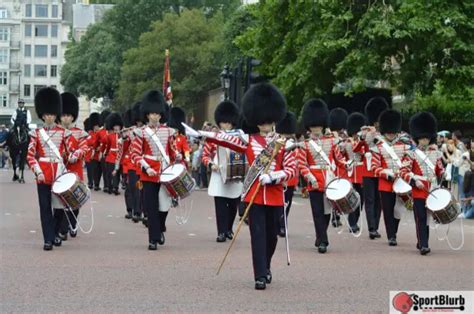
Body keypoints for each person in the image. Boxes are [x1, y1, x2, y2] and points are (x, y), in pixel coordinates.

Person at [201, 82, 296, 290]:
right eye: (261, 121)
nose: (264, 124)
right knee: (258, 235)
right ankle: (259, 275)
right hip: (254, 195)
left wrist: (274, 177)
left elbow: (292, 170)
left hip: (274, 195)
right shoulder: (248, 140)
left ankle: (267, 265)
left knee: (271, 237)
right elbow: (226, 140)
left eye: (268, 121)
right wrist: (203, 134)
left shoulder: (283, 143)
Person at [26, 87, 76, 251]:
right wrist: (38, 171)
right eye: (46, 114)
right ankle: (48, 239)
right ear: (42, 115)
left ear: (56, 114)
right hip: (43, 175)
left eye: (52, 114)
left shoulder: (64, 133)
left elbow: (69, 155)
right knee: (45, 208)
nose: (49, 117)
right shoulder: (36, 134)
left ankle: (54, 233)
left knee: (60, 208)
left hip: (59, 174)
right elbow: (30, 156)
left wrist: (74, 154)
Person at [130, 90, 178, 250]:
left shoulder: (169, 131)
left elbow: (171, 152)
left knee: (164, 206)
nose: (154, 116)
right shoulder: (141, 132)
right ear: (147, 114)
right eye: (151, 113)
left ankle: (160, 227)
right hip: (148, 173)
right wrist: (147, 167)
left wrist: (178, 155)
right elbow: (135, 154)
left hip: (164, 172)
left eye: (157, 113)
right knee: (151, 207)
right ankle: (153, 239)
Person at [298, 99, 347, 254]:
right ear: (309, 127)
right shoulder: (305, 145)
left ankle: (320, 236)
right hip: (314, 181)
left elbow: (339, 160)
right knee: (317, 212)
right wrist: (309, 177)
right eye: (314, 126)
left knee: (326, 213)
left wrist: (350, 163)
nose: (316, 129)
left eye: (318, 125)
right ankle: (324, 241)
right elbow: (302, 164)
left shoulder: (331, 142)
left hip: (329, 179)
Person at [400, 112, 443, 255]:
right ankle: (424, 244)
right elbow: (403, 171)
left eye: (426, 138)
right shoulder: (411, 154)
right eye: (422, 138)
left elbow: (439, 170)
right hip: (418, 188)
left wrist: (444, 174)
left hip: (432, 188)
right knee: (420, 216)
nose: (424, 141)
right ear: (417, 138)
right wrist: (414, 181)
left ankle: (422, 241)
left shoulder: (435, 154)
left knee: (427, 219)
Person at [201, 100, 243, 242]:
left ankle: (228, 228)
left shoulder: (239, 136)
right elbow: (205, 155)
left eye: (229, 123)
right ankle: (221, 232)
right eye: (224, 123)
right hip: (218, 173)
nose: (227, 125)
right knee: (220, 205)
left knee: (232, 205)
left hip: (235, 172)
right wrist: (211, 164)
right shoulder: (213, 137)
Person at [371, 109, 411, 247]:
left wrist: (404, 171)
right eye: (388, 131)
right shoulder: (378, 147)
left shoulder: (404, 146)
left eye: (392, 131)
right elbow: (374, 168)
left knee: (399, 209)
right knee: (387, 210)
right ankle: (391, 235)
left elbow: (409, 163)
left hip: (401, 182)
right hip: (385, 183)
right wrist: (387, 174)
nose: (390, 134)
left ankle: (394, 230)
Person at [58, 92, 88, 239]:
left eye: (69, 115)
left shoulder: (80, 133)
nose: (66, 118)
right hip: (60, 171)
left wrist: (75, 155)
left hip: (75, 171)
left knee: (75, 202)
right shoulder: (56, 133)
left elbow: (84, 148)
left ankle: (72, 223)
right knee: (61, 202)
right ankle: (63, 228)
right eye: (64, 115)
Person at [362, 97, 388, 240]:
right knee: (370, 199)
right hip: (368, 170)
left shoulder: (386, 134)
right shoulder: (366, 132)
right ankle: (371, 227)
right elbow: (360, 146)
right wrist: (368, 135)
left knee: (379, 201)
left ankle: (376, 226)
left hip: (381, 170)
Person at [275, 112, 298, 237]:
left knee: (287, 203)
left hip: (291, 179)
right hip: (279, 178)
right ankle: (279, 224)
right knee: (278, 203)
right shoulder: (277, 142)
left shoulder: (294, 143)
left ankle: (283, 225)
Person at [344, 112, 368, 233]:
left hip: (361, 172)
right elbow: (351, 151)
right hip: (350, 172)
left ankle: (354, 221)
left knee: (361, 199)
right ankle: (352, 222)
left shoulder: (364, 142)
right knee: (352, 198)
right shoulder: (347, 142)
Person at [104, 113, 124, 195]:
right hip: (111, 156)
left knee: (117, 173)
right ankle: (110, 186)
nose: (116, 127)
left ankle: (115, 187)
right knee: (111, 173)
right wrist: (106, 154)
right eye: (115, 126)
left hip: (119, 156)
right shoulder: (110, 136)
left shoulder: (122, 135)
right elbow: (108, 146)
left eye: (118, 126)